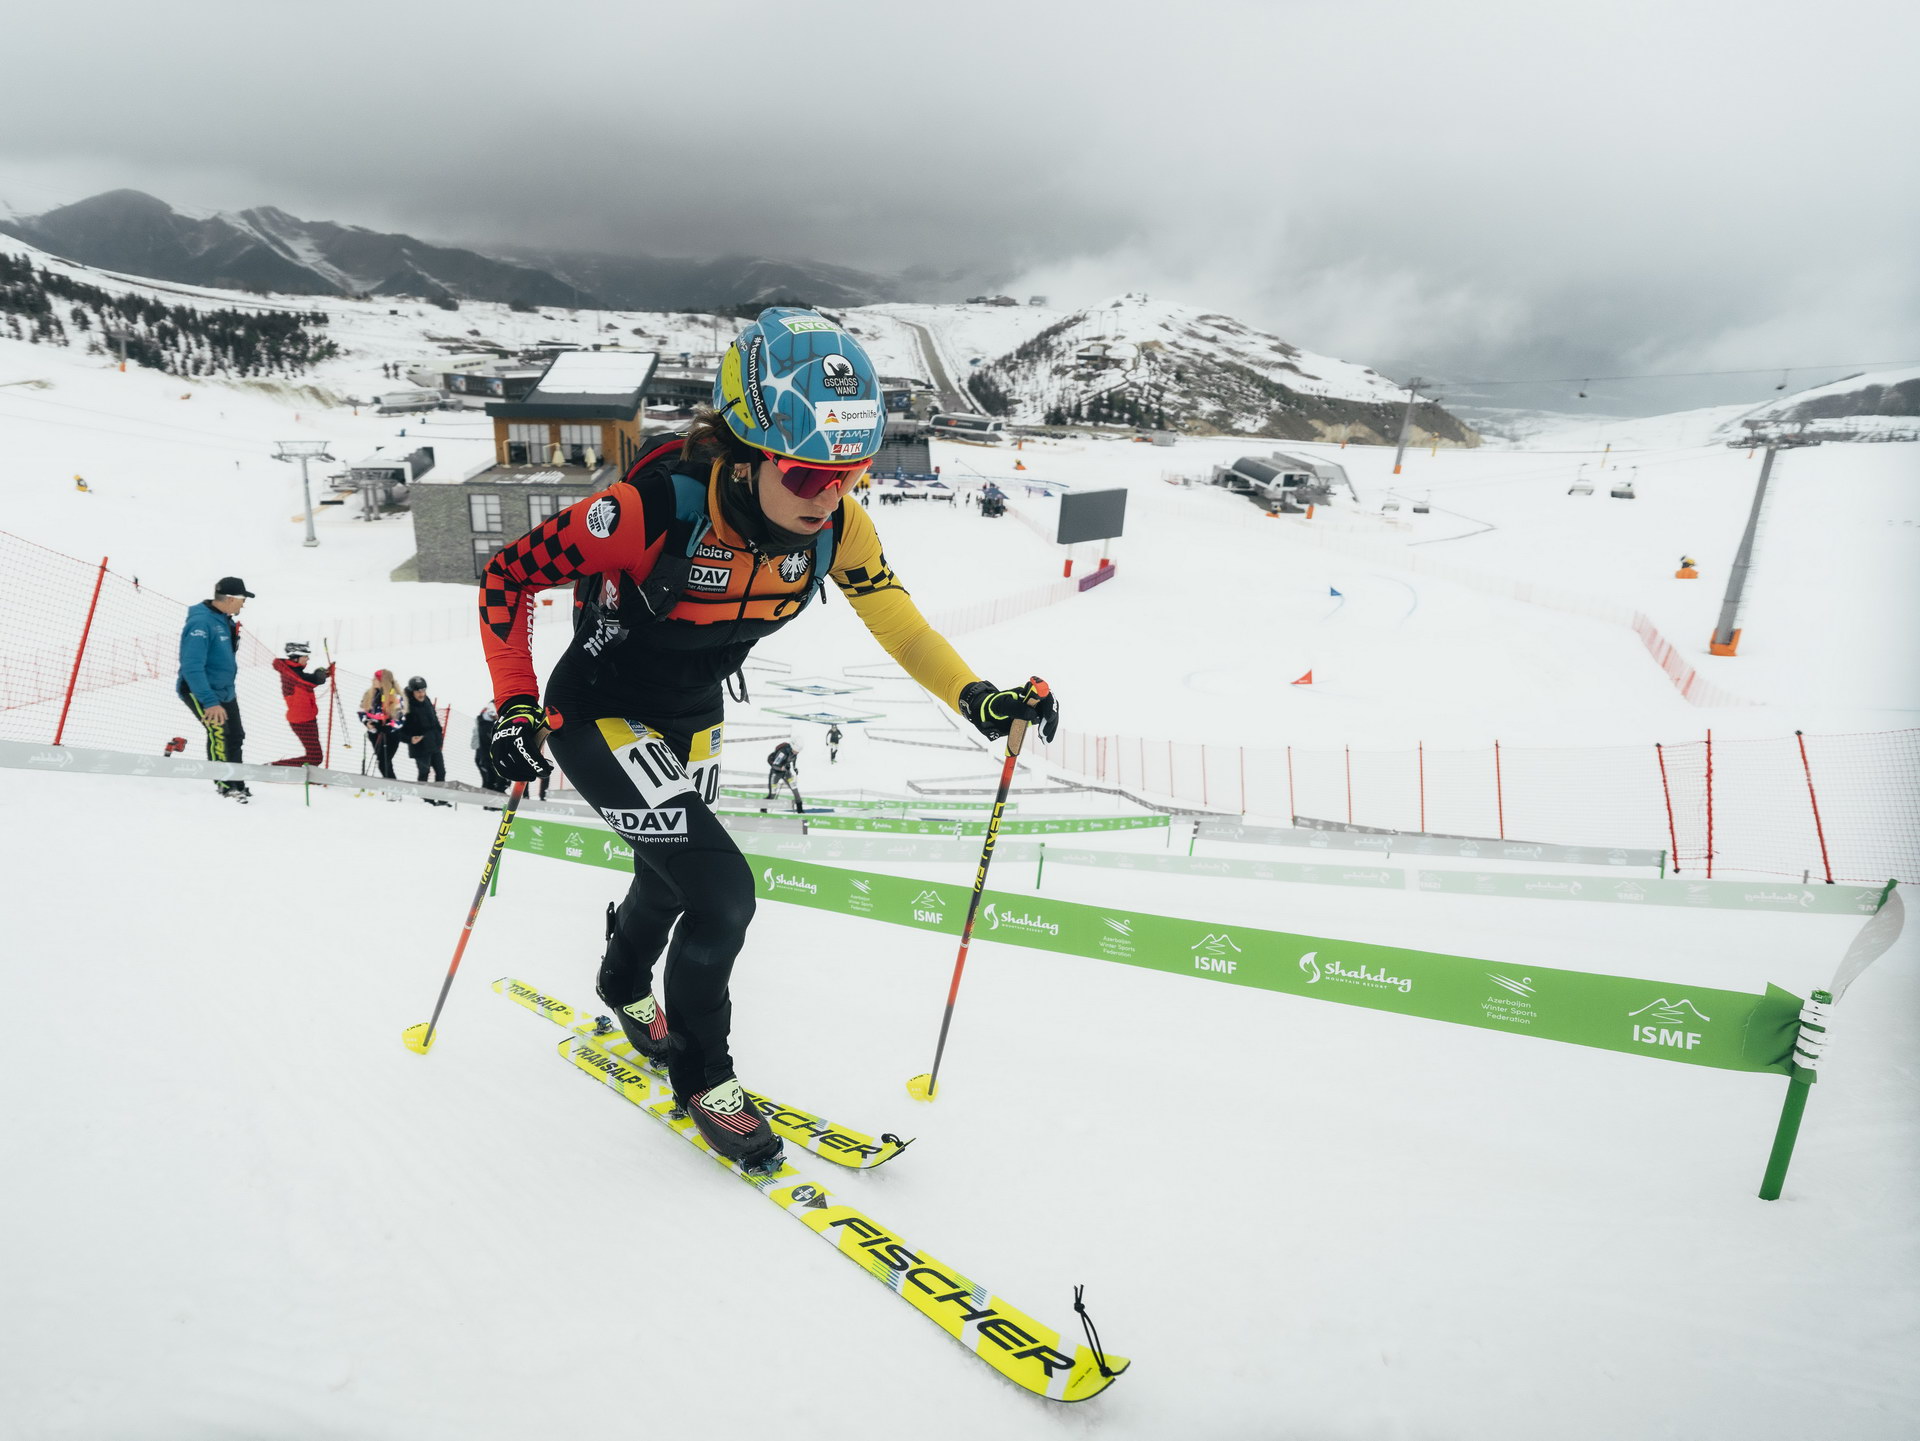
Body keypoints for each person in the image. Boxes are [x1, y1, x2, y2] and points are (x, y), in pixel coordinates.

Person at [477, 307, 1059, 1169]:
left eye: (850, 473)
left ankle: (622, 980)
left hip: (693, 712)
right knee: (723, 892)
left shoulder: (839, 526)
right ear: (747, 453)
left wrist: (979, 699)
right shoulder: (646, 511)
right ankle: (703, 1076)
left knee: (670, 876)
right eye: (807, 473)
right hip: (597, 706)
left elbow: (901, 627)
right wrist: (515, 705)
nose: (829, 495)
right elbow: (507, 574)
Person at [177, 576, 254, 801]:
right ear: (230, 599)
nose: (243, 605)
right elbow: (191, 666)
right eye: (242, 600)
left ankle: (238, 783)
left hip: (224, 690)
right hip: (200, 690)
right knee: (220, 734)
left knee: (236, 736)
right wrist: (210, 702)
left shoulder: (223, 620)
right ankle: (225, 786)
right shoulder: (201, 623)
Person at [270, 641, 332, 767]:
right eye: (305, 656)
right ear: (296, 657)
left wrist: (324, 674)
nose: (308, 659)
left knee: (314, 756)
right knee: (315, 757)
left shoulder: (293, 670)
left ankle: (305, 773)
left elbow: (307, 679)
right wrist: (320, 676)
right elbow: (305, 681)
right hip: (301, 721)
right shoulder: (290, 673)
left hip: (308, 718)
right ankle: (275, 766)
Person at [359, 669, 404, 779]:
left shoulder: (396, 696)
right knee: (384, 762)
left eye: (376, 679)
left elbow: (400, 718)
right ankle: (392, 784)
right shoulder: (370, 694)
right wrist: (366, 722)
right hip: (374, 733)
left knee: (383, 763)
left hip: (391, 735)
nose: (373, 680)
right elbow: (361, 710)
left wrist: (388, 727)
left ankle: (392, 785)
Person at [403, 676, 447, 787]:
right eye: (418, 691)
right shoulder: (406, 706)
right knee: (424, 772)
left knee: (441, 772)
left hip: (434, 743)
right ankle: (423, 796)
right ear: (412, 691)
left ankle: (440, 795)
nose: (421, 694)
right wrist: (409, 739)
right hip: (420, 746)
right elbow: (399, 729)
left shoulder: (426, 700)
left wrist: (439, 737)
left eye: (423, 690)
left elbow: (434, 719)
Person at [473, 702, 508, 792]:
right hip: (487, 758)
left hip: (490, 758)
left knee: (493, 781)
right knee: (492, 781)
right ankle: (493, 796)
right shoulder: (485, 725)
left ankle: (494, 793)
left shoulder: (490, 724)